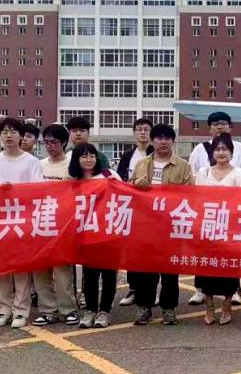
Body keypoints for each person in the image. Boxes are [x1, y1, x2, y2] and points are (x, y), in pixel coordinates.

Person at [186, 112, 241, 306]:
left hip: (231, 216)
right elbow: (192, 176)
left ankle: (234, 291)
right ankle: (200, 290)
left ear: (230, 126)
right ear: (209, 127)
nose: (219, 127)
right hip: (208, 216)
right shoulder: (200, 149)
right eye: (215, 123)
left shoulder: (240, 148)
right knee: (204, 254)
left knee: (231, 254)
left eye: (223, 123)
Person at [130, 124, 193, 326]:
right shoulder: (141, 164)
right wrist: (135, 183)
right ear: (152, 140)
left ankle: (168, 308)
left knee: (170, 271)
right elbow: (127, 189)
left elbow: (190, 194)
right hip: (145, 226)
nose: (163, 142)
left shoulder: (183, 166)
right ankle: (144, 307)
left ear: (173, 141)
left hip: (170, 226)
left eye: (167, 138)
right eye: (159, 138)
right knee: (145, 271)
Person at [0, 117, 43, 329]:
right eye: (4, 132)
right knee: (1, 268)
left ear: (21, 136)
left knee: (20, 268)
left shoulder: (31, 161)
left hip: (22, 219)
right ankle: (3, 308)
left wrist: (15, 191)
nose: (8, 136)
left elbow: (37, 191)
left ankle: (21, 310)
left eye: (13, 132)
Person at [194, 135, 241, 325]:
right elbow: (197, 200)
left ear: (232, 153)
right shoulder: (203, 172)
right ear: (212, 152)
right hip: (208, 228)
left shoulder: (240, 173)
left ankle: (226, 306)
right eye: (217, 149)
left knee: (228, 269)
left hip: (230, 229)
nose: (221, 152)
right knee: (207, 269)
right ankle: (209, 307)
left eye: (225, 149)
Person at [32, 124, 81, 326]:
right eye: (46, 142)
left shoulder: (72, 164)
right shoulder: (39, 165)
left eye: (54, 142)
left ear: (64, 142)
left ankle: (68, 309)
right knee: (41, 269)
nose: (50, 146)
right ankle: (47, 310)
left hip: (64, 223)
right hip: (40, 222)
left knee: (62, 271)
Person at [70, 143, 121, 329]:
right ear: (77, 160)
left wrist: (117, 186)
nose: (89, 160)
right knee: (90, 275)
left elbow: (125, 197)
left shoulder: (109, 175)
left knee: (109, 275)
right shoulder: (74, 182)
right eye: (84, 156)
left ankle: (104, 311)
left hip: (109, 233)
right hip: (87, 235)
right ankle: (90, 310)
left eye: (92, 155)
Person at [115, 117, 153, 307]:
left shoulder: (157, 153)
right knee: (132, 251)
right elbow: (120, 179)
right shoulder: (128, 155)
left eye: (146, 129)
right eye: (139, 129)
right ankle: (133, 288)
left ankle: (151, 290)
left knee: (151, 252)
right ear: (134, 132)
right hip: (131, 209)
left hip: (152, 211)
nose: (143, 132)